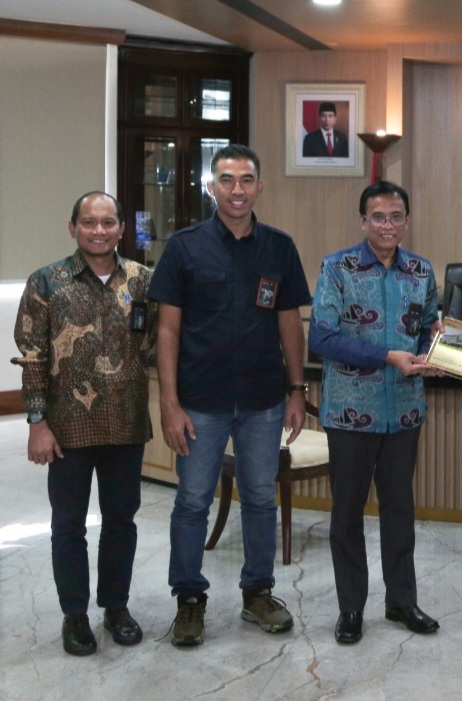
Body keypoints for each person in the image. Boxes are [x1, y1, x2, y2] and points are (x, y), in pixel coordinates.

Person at [149, 144, 312, 647]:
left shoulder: (279, 247)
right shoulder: (184, 247)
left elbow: (289, 325)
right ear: (211, 186)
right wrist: (169, 404)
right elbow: (168, 332)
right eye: (226, 180)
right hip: (200, 401)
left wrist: (297, 390)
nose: (236, 189)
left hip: (264, 401)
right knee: (193, 502)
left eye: (246, 180)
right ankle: (190, 600)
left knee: (260, 499)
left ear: (260, 186)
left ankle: (258, 593)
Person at [13, 191, 155, 656]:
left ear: (120, 228)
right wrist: (37, 422)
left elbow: (159, 346)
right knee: (68, 524)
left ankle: (115, 607)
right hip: (66, 428)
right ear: (72, 226)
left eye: (108, 222)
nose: (99, 230)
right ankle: (74, 615)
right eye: (89, 222)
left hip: (125, 423)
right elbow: (32, 357)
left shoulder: (143, 281)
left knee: (121, 521)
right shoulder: (46, 282)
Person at [308, 180, 442, 645]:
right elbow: (321, 338)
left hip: (404, 411)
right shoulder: (337, 268)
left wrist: (435, 351)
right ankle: (351, 608)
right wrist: (389, 355)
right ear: (363, 221)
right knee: (346, 513)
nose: (388, 225)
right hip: (350, 412)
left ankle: (402, 600)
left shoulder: (420, 271)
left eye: (396, 216)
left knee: (400, 510)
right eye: (379, 217)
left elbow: (428, 329)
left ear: (407, 220)